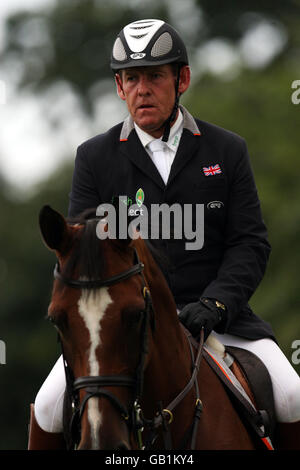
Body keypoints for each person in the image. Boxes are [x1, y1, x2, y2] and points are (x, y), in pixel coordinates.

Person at [28, 18, 300, 449]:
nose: (142, 89)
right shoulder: (94, 158)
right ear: (119, 87)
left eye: (155, 76)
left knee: (293, 395)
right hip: (123, 330)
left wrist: (217, 303)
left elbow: (250, 243)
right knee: (46, 407)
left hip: (217, 324)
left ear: (182, 79)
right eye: (131, 78)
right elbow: (80, 255)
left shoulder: (227, 150)